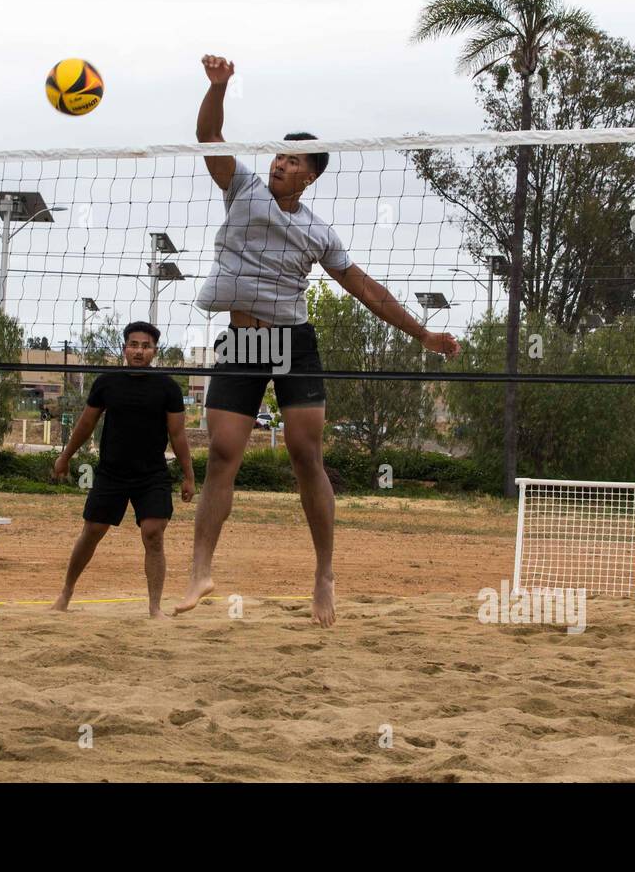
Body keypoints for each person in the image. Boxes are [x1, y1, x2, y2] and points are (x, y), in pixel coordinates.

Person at [175, 54, 460, 627]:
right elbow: (208, 135)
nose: (280, 163)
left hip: (294, 343)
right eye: (279, 154)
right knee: (223, 455)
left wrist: (422, 332)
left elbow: (366, 290)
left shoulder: (318, 231)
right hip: (244, 342)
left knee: (307, 458)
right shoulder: (244, 189)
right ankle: (201, 569)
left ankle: (324, 574)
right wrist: (218, 87)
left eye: (293, 160)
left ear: (311, 174)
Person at [51, 321, 194, 620]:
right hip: (111, 472)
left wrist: (188, 475)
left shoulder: (167, 387)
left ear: (155, 350)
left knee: (153, 534)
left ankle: (155, 608)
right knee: (92, 532)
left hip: (152, 474)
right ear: (124, 348)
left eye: (145, 346)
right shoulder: (107, 382)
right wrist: (64, 457)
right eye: (133, 344)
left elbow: (178, 435)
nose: (139, 351)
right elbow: (86, 424)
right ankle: (66, 592)